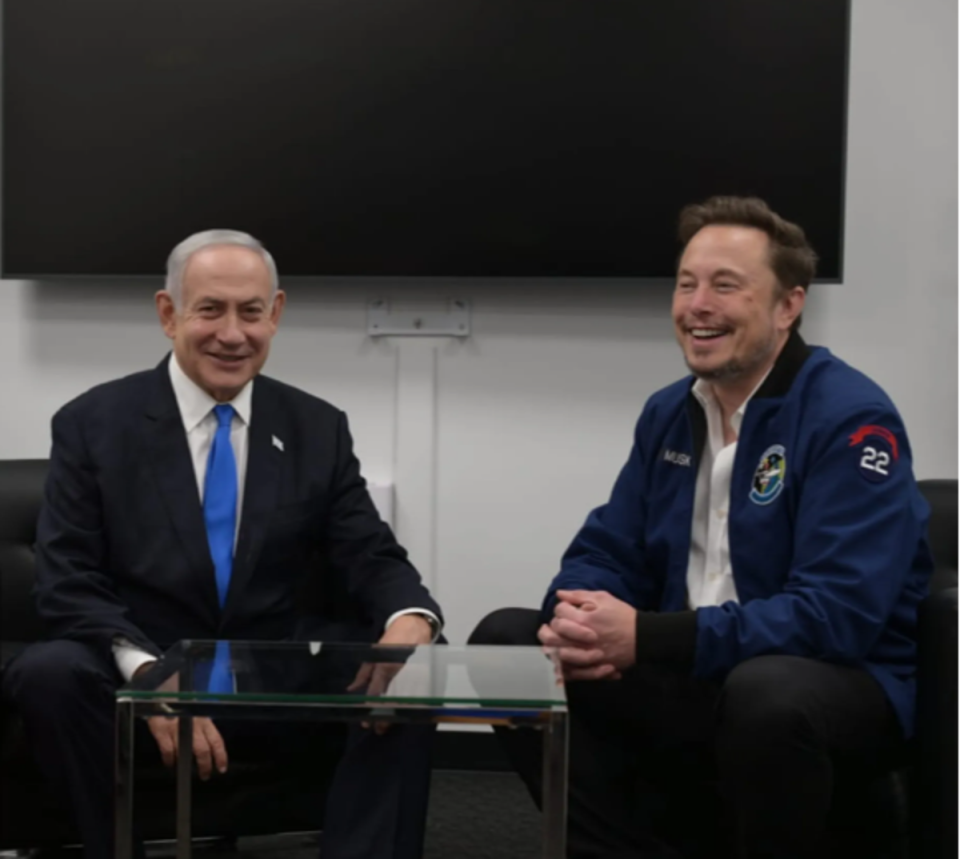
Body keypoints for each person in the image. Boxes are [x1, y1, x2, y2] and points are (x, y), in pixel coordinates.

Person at [470, 197, 933, 859]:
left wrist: (648, 636)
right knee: (509, 643)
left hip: (835, 684)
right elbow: (608, 545)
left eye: (725, 285)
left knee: (765, 692)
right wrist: (574, 611)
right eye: (687, 283)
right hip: (697, 668)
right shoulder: (669, 412)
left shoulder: (852, 417)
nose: (697, 304)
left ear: (787, 306)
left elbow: (838, 615)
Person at [1, 230, 443, 859]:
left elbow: (368, 552)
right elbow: (67, 579)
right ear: (168, 313)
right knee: (48, 673)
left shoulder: (316, 426)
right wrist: (153, 675)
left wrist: (411, 621)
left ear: (276, 314)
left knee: (412, 663)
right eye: (210, 309)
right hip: (140, 669)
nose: (232, 334)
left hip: (271, 675)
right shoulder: (93, 423)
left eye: (251, 312)